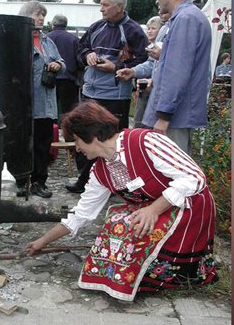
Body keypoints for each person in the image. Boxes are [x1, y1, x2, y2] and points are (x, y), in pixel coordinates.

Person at [24, 100, 217, 301]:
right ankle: (120, 279)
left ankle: (164, 275)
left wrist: (153, 210)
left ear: (91, 135)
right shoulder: (100, 170)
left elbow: (194, 177)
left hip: (187, 208)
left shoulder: (146, 141)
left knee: (130, 232)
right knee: (115, 223)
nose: (77, 149)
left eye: (77, 142)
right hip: (151, 210)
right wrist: (42, 241)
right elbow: (82, 212)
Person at [65, 0, 148, 194]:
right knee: (83, 135)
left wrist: (116, 68)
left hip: (115, 96)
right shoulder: (96, 27)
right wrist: (88, 56)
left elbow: (144, 62)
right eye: (101, 4)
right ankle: (84, 181)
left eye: (105, 5)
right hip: (90, 92)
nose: (101, 9)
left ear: (119, 7)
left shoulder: (134, 31)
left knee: (112, 141)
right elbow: (80, 49)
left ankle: (116, 184)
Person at [142, 0, 212, 154]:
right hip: (177, 113)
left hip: (175, 117)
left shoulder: (185, 19)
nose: (157, 0)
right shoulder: (188, 17)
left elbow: (177, 71)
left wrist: (164, 115)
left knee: (174, 171)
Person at [16, 1, 66, 199]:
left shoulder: (47, 41)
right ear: (27, 15)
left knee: (43, 145)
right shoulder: (18, 39)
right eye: (38, 14)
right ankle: (21, 181)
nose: (41, 18)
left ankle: (39, 181)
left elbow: (63, 64)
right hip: (23, 103)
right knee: (21, 144)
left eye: (43, 15)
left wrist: (56, 65)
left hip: (45, 103)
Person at [116, 15, 163, 127]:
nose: (150, 31)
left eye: (153, 28)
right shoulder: (149, 46)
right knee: (139, 122)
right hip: (142, 91)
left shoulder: (161, 47)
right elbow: (149, 64)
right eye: (149, 28)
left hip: (155, 94)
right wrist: (133, 71)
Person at [47, 14, 81, 117]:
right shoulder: (74, 39)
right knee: (69, 112)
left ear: (53, 25)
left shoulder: (46, 38)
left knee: (49, 110)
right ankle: (67, 131)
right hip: (69, 80)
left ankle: (51, 131)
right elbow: (79, 60)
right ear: (65, 25)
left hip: (49, 79)